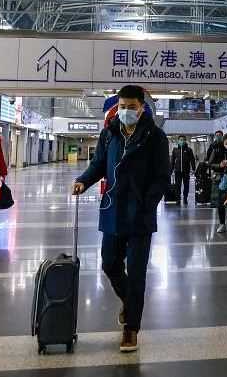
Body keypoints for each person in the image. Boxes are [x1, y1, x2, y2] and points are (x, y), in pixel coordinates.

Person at [72, 85, 170, 353]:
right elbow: (99, 165)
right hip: (113, 210)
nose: (126, 111)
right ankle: (129, 300)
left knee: (137, 273)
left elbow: (162, 177)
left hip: (140, 216)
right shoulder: (109, 134)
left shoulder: (156, 137)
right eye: (122, 106)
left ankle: (131, 329)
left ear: (142, 107)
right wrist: (83, 181)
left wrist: (147, 205)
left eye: (131, 106)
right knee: (109, 263)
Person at [209, 133, 227, 234]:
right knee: (220, 203)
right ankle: (222, 224)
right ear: (223, 142)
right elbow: (210, 164)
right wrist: (220, 165)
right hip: (220, 179)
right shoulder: (217, 150)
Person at [170, 135, 196, 205]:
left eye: (183, 140)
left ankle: (185, 198)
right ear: (178, 141)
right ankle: (178, 199)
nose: (182, 141)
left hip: (186, 171)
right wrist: (171, 169)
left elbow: (192, 160)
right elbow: (172, 160)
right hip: (177, 171)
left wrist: (193, 168)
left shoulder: (189, 150)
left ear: (185, 141)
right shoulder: (175, 150)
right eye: (180, 140)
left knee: (186, 185)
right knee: (177, 186)